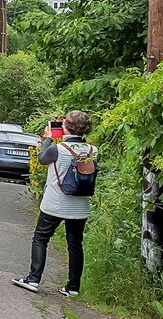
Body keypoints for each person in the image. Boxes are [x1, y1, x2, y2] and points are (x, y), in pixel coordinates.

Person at [12, 111, 98, 296]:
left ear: (66, 127)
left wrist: (49, 138)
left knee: (41, 238)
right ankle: (73, 287)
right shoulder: (92, 150)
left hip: (55, 203)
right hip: (79, 206)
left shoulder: (57, 149)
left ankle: (33, 279)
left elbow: (43, 158)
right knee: (75, 245)